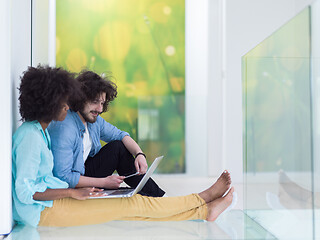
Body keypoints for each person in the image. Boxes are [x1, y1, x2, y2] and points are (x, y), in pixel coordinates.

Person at [12, 65, 235, 227]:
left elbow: (119, 135)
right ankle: (202, 199)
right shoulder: (32, 136)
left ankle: (204, 210)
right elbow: (25, 192)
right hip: (42, 213)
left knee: (132, 209)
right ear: (48, 101)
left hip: (50, 205)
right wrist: (73, 192)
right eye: (63, 100)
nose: (67, 105)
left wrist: (138, 153)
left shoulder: (38, 131)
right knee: (133, 205)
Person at [48, 70, 164, 197]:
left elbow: (121, 135)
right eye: (95, 101)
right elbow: (63, 177)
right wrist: (104, 182)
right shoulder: (65, 127)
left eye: (102, 103)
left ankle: (156, 196)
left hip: (84, 171)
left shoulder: (93, 120)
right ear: (79, 98)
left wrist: (139, 154)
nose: (100, 109)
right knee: (118, 149)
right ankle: (158, 198)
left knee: (118, 147)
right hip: (71, 183)